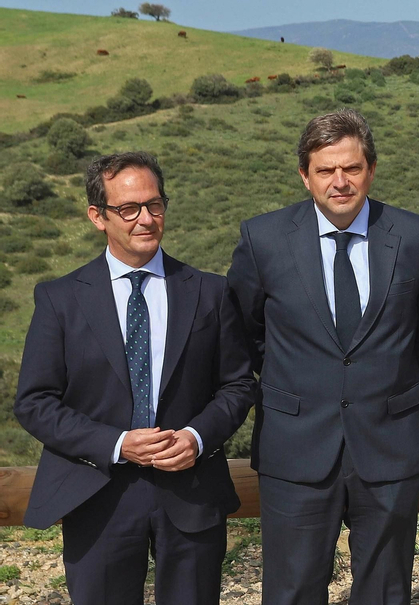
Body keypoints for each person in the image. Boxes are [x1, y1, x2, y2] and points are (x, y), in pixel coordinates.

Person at [225, 110, 419, 605]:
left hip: (389, 442)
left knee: (385, 591)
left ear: (371, 169)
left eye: (351, 168)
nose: (340, 181)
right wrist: (304, 377)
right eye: (325, 170)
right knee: (292, 591)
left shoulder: (418, 237)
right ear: (304, 175)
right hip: (295, 445)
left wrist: (380, 374)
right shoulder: (263, 239)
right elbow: (244, 330)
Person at [14, 152, 255, 605]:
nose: (145, 218)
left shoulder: (210, 291)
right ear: (97, 216)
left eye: (154, 204)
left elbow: (239, 385)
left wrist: (197, 438)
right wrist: (117, 443)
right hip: (96, 494)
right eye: (128, 208)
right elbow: (35, 402)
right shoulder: (60, 299)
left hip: (192, 491)